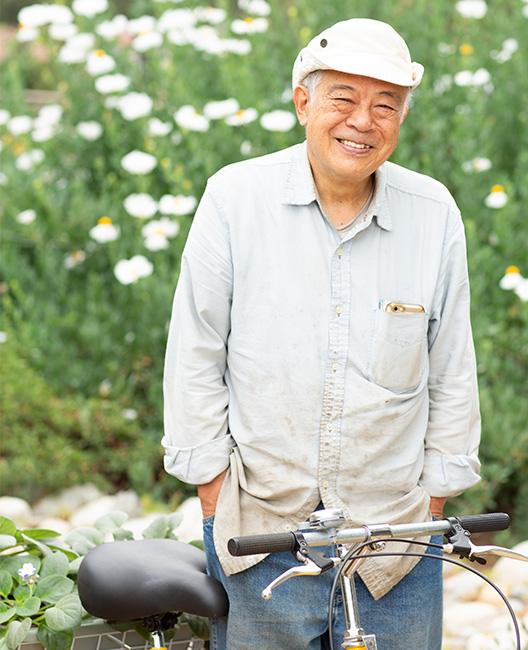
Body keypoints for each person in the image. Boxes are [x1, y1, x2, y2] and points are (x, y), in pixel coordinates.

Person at [162, 17, 481, 650]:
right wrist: (211, 487)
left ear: (401, 119)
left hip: (397, 544)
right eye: (344, 98)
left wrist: (437, 502)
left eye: (385, 105)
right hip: (262, 532)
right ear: (304, 101)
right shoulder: (235, 198)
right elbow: (195, 349)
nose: (363, 121)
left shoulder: (433, 211)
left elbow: (451, 364)